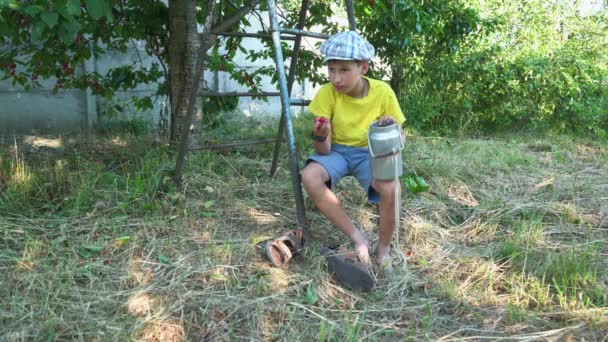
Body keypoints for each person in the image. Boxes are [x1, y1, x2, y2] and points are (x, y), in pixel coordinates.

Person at [301, 31, 405, 270]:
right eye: (331, 70)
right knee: (310, 175)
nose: (336, 78)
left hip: (370, 153)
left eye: (344, 70)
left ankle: (383, 251)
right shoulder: (327, 93)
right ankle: (358, 238)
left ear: (364, 68)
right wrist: (320, 134)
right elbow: (323, 151)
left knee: (392, 189)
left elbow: (400, 139)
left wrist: (390, 131)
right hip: (337, 151)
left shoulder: (382, 92)